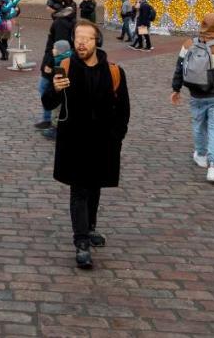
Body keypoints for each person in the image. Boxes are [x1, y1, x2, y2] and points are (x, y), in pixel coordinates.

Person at [41, 20, 129, 269]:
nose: (81, 42)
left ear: (96, 42)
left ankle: (89, 228)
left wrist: (117, 138)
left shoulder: (114, 72)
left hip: (103, 143)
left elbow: (124, 110)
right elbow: (47, 103)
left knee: (95, 188)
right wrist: (55, 90)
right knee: (79, 190)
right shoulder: (65, 68)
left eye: (86, 38)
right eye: (77, 37)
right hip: (74, 143)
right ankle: (81, 243)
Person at [171, 12, 214, 184]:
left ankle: (201, 155)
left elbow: (180, 67)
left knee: (198, 124)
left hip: (196, 93)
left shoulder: (188, 44)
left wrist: (176, 88)